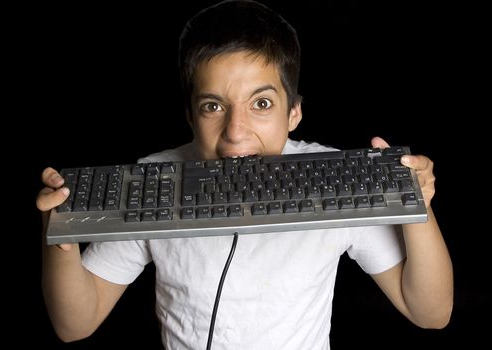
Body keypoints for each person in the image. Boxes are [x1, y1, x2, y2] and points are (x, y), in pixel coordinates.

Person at [39, 1, 453, 349]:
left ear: (295, 113)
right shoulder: (154, 177)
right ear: (190, 116)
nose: (236, 132)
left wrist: (417, 206)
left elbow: (431, 313)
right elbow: (76, 324)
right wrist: (59, 234)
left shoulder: (338, 174)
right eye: (214, 107)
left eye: (262, 104)